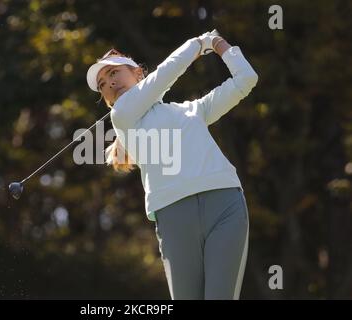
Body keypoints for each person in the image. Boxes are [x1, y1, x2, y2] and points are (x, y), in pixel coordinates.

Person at [86, 30, 258, 300]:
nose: (109, 82)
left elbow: (246, 80)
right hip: (174, 215)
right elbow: (166, 74)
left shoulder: (193, 110)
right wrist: (199, 43)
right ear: (107, 100)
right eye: (102, 83)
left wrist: (221, 46)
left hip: (225, 203)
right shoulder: (122, 116)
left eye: (114, 71)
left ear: (138, 74)